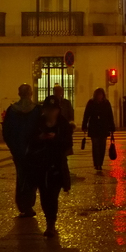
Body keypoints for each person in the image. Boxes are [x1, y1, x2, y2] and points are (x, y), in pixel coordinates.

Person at [27, 95, 73, 237]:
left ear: (58, 110)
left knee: (52, 195)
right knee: (44, 196)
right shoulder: (38, 122)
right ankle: (49, 220)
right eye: (48, 109)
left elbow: (68, 144)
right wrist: (40, 138)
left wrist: (56, 139)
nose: (51, 112)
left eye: (53, 110)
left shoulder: (63, 124)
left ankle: (51, 224)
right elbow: (30, 141)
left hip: (57, 166)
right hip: (40, 165)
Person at [2, 84, 40, 217]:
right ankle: (28, 204)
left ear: (19, 94)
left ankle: (22, 204)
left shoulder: (12, 110)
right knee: (32, 177)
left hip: (18, 150)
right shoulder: (36, 110)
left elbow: (6, 132)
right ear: (30, 93)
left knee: (21, 176)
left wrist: (13, 146)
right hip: (33, 151)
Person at [81, 88, 116, 172]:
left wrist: (112, 127)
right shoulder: (91, 103)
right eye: (98, 95)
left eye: (101, 95)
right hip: (94, 127)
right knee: (95, 146)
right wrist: (84, 125)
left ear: (103, 95)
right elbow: (86, 115)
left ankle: (100, 163)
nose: (99, 96)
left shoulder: (106, 103)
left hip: (103, 127)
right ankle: (96, 163)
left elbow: (110, 116)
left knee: (102, 146)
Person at [52, 84, 75, 153]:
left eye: (59, 91)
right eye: (56, 91)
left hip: (64, 128)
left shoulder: (66, 103)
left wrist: (71, 124)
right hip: (54, 127)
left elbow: (70, 114)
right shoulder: (51, 102)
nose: (58, 93)